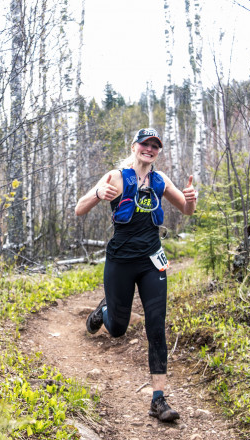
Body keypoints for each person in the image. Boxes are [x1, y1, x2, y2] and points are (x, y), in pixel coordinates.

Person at [74, 127, 198, 422]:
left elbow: (188, 209)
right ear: (134, 147)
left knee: (156, 326)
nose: (150, 149)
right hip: (120, 261)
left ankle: (159, 400)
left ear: (157, 151)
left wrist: (191, 198)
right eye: (145, 144)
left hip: (151, 262)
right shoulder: (116, 177)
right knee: (117, 329)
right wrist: (97, 194)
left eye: (155, 146)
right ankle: (104, 309)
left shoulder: (160, 180)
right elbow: (79, 209)